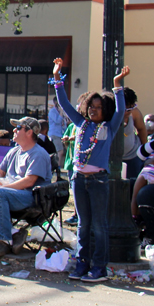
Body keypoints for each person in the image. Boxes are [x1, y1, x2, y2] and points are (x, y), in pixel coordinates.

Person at [52, 58, 129, 283]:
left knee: (99, 225)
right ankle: (82, 264)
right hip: (78, 179)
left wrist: (117, 85)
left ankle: (99, 268)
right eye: (91, 107)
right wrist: (57, 77)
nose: (94, 110)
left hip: (98, 181)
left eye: (99, 107)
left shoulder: (109, 127)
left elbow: (121, 109)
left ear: (105, 110)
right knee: (83, 224)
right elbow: (64, 104)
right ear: (86, 108)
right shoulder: (80, 123)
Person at [0, 117, 52, 258]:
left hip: (32, 196)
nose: (14, 130)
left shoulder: (38, 154)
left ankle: (4, 241)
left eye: (19, 127)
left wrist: (0, 188)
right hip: (9, 194)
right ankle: (15, 234)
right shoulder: (14, 151)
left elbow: (29, 181)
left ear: (29, 132)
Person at [120, 88, 148, 180]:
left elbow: (141, 129)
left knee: (133, 184)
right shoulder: (109, 115)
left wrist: (145, 151)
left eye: (132, 107)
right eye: (127, 108)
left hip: (133, 156)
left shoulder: (134, 112)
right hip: (113, 159)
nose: (129, 111)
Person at [48, 98, 68, 165]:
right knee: (60, 151)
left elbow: (64, 123)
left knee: (66, 149)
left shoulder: (61, 111)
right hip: (55, 134)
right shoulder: (52, 111)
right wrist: (61, 112)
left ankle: (62, 165)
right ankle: (58, 167)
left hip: (61, 134)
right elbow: (57, 121)